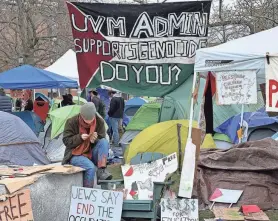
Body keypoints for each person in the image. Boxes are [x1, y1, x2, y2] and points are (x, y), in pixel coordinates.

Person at [62, 102, 112, 187]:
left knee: (104, 141)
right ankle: (87, 194)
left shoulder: (99, 121)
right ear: (81, 115)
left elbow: (101, 140)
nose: (88, 122)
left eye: (91, 120)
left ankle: (102, 171)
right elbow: (66, 141)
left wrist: (94, 140)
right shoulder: (71, 122)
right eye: (86, 120)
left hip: (92, 153)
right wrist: (80, 137)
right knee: (90, 167)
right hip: (75, 154)